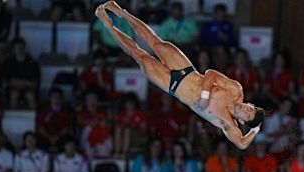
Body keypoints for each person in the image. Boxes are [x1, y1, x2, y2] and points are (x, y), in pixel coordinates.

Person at [95, 1, 265, 150]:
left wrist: (256, 129)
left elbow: (242, 144)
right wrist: (205, 96)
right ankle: (122, 12)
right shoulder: (235, 90)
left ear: (243, 122)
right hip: (186, 70)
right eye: (249, 107)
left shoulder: (227, 124)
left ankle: (107, 23)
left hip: (171, 85)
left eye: (247, 114)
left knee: (139, 55)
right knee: (155, 41)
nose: (245, 109)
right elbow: (211, 73)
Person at [2, 38, 40, 109]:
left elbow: (34, 82)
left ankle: (33, 117)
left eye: (21, 47)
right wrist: (22, 82)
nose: (19, 49)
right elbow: (7, 80)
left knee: (30, 96)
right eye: (17, 47)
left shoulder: (32, 62)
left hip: (29, 88)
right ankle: (13, 117)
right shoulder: (8, 62)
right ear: (13, 49)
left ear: (24, 48)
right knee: (14, 95)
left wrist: (24, 83)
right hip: (12, 88)